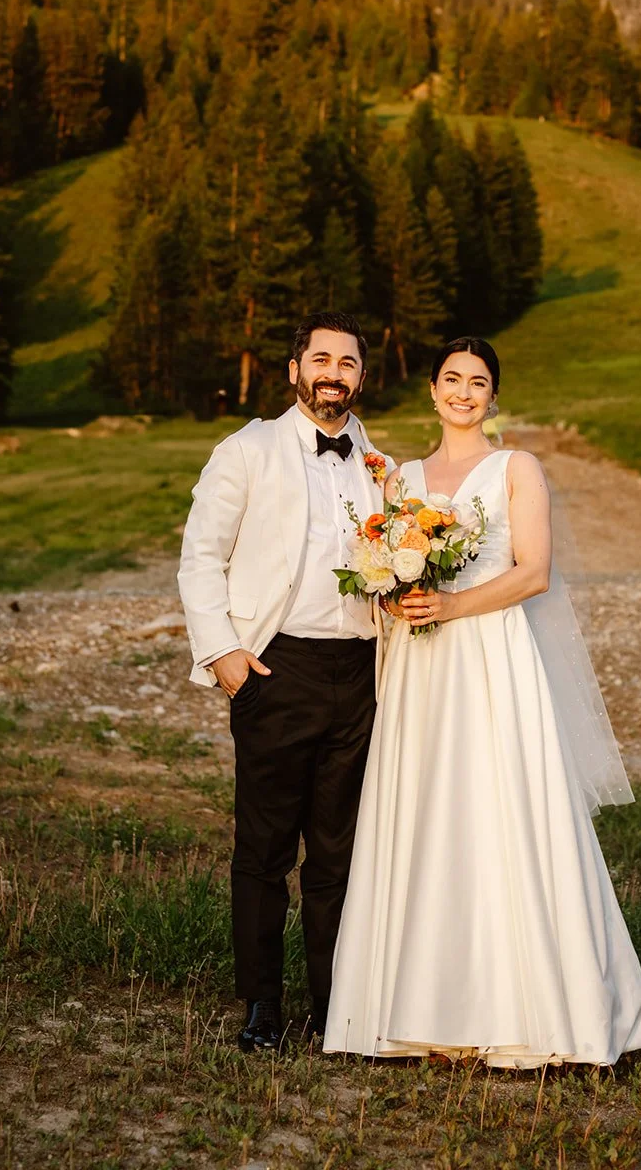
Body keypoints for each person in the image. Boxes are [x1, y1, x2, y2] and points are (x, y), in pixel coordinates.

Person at [325, 336, 641, 1067]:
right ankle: (417, 1011)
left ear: (492, 396)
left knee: (499, 808)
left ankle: (528, 1007)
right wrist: (397, 594)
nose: (464, 392)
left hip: (492, 656)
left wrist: (452, 606)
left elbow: (533, 573)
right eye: (452, 379)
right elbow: (380, 566)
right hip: (421, 668)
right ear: (431, 390)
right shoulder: (401, 475)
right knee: (425, 810)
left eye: (478, 382)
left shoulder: (517, 468)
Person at [178, 312, 391, 1053]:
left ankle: (334, 1002)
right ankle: (262, 1003)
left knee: (339, 851)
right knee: (265, 849)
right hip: (276, 668)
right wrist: (225, 656)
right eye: (320, 358)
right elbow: (199, 557)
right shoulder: (246, 451)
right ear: (294, 368)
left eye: (348, 362)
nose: (334, 372)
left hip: (361, 673)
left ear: (363, 377)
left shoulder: (379, 466)